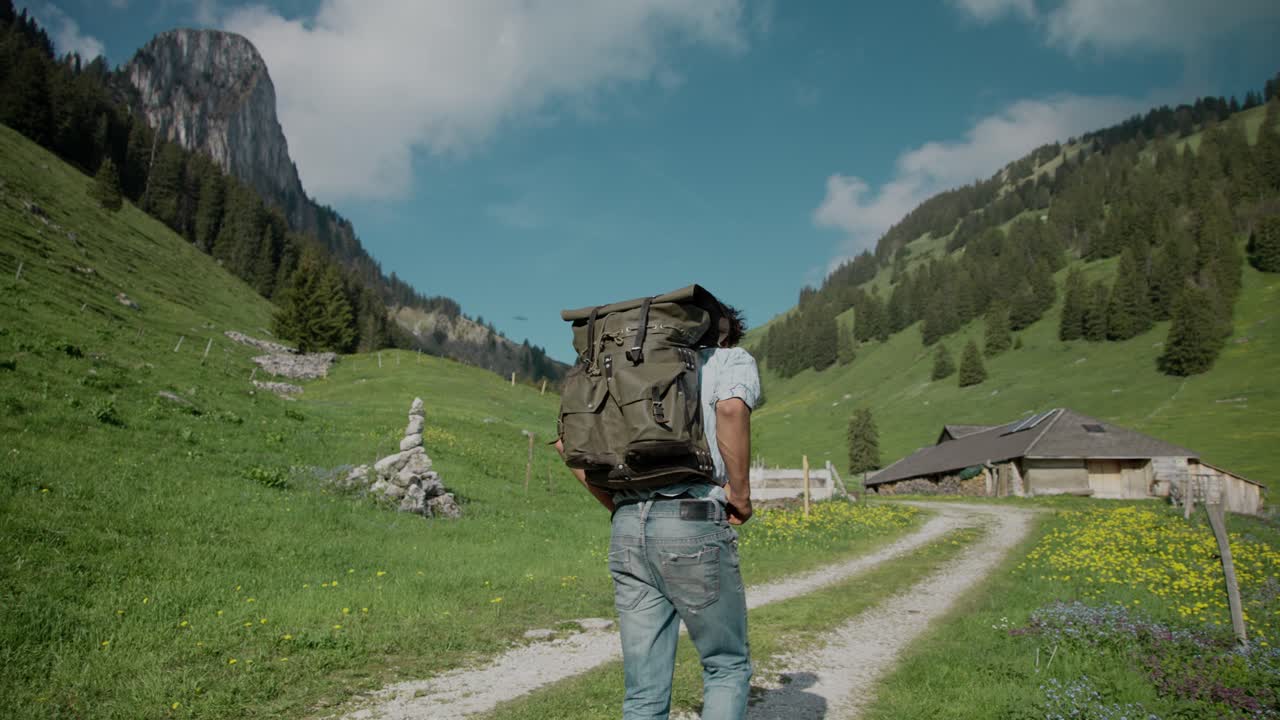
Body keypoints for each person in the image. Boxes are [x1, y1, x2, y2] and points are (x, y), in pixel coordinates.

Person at [557, 304, 759, 720]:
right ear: (724, 332)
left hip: (628, 526)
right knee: (725, 666)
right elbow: (731, 410)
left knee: (644, 691)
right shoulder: (726, 358)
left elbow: (568, 448)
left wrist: (618, 506)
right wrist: (740, 495)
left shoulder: (611, 366)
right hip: (691, 519)